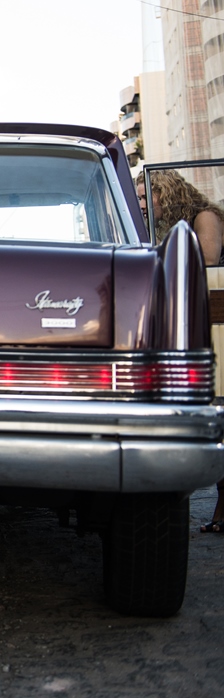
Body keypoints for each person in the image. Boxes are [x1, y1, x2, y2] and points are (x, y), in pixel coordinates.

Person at [146, 170, 224, 533]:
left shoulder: (203, 217)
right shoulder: (170, 231)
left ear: (169, 194)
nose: (147, 204)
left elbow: (206, 263)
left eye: (151, 197)